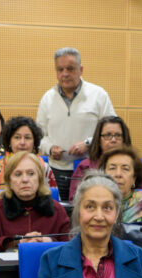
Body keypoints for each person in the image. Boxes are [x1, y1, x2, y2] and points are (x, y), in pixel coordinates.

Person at [36, 47, 116, 200]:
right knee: (59, 212)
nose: (65, 74)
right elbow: (39, 136)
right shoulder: (47, 98)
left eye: (70, 68)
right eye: (60, 69)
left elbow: (113, 133)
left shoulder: (99, 95)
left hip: (91, 170)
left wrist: (89, 143)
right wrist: (50, 148)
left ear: (81, 69)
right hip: (56, 171)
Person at [0, 151, 70, 251]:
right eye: (18, 174)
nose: (25, 179)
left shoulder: (57, 210)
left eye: (31, 174)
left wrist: (50, 241)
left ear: (39, 179)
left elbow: (70, 247)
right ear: (9, 181)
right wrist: (16, 243)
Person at [68, 116, 142, 198]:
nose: (113, 140)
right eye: (108, 135)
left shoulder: (139, 165)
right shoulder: (85, 166)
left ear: (124, 139)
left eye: (118, 135)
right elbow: (75, 199)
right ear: (98, 140)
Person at [0, 116, 57, 191]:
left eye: (27, 138)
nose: (22, 142)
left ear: (34, 143)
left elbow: (53, 196)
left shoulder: (44, 168)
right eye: (17, 137)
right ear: (9, 142)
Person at [101, 146, 142, 226]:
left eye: (125, 169)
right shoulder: (93, 202)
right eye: (112, 168)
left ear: (134, 178)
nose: (118, 174)